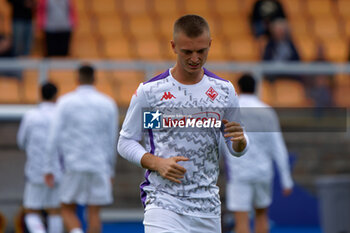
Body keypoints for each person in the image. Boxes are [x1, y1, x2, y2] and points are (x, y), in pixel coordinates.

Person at [117, 14, 248, 233]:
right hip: (163, 203)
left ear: (210, 45)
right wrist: (157, 163)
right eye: (188, 51)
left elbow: (235, 146)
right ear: (173, 46)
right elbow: (126, 141)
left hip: (207, 207)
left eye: (201, 51)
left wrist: (241, 143)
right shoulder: (151, 92)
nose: (195, 58)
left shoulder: (224, 92)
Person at [45, 64, 118, 233]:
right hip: (99, 165)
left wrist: (49, 166)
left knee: (66, 208)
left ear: (77, 79)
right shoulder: (108, 103)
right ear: (95, 79)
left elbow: (53, 137)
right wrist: (111, 170)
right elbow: (112, 139)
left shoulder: (65, 102)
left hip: (73, 163)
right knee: (94, 212)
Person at [222, 74, 293, 233]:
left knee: (241, 219)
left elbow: (223, 142)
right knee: (262, 215)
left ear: (238, 88)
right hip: (263, 172)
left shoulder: (232, 110)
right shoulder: (267, 111)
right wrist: (286, 180)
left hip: (239, 172)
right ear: (256, 88)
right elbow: (278, 146)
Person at [17, 82, 63, 233]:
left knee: (31, 210)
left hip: (35, 170)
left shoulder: (31, 116)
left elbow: (21, 142)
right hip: (57, 169)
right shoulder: (60, 115)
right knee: (55, 210)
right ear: (56, 95)